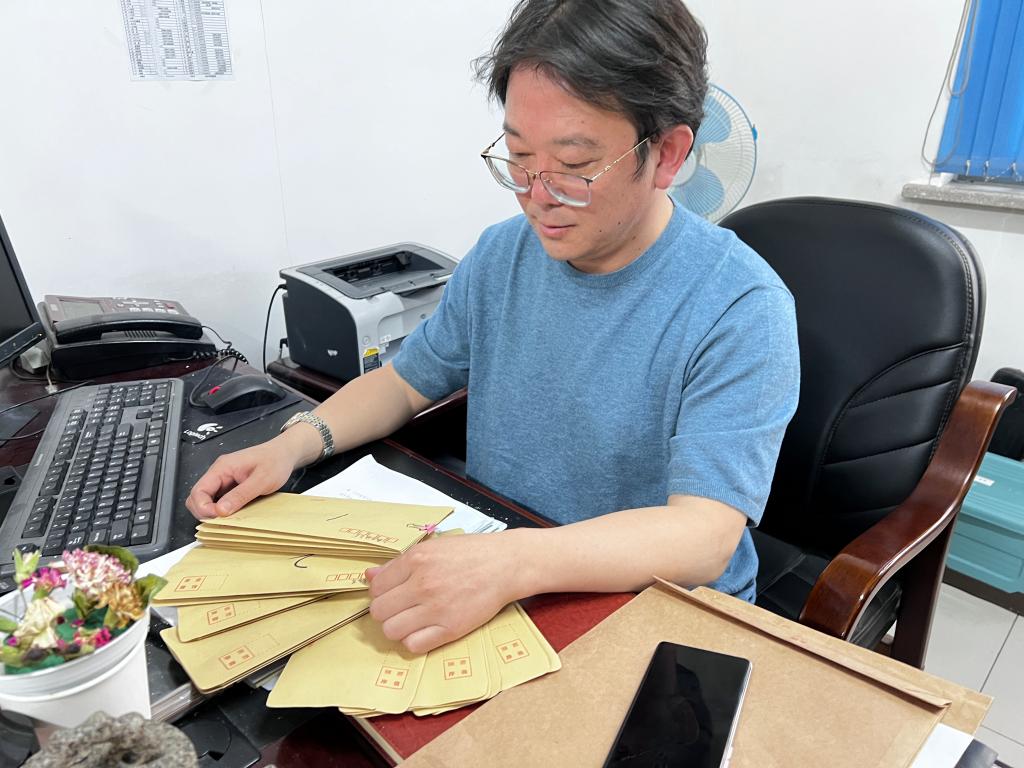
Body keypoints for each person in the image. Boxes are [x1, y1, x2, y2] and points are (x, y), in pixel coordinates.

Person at [186, 0, 800, 655]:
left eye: (574, 166)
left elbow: (704, 536)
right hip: (506, 568)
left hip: (657, 614)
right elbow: (403, 382)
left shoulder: (740, 305)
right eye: (519, 156)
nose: (537, 195)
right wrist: (292, 445)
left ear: (668, 153)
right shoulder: (503, 254)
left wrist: (512, 562)